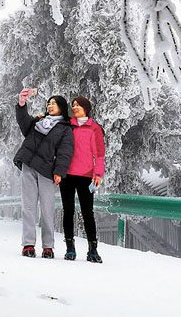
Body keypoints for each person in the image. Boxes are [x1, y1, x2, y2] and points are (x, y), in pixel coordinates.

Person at [14, 90, 74, 259]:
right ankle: (28, 244)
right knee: (28, 206)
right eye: (49, 103)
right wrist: (21, 104)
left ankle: (48, 247)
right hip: (28, 165)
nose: (50, 105)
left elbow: (65, 152)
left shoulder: (65, 129)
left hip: (48, 171)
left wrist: (60, 172)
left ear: (61, 108)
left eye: (54, 103)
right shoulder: (39, 121)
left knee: (47, 209)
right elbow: (24, 123)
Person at [60, 95, 105, 263]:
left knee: (88, 213)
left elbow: (99, 154)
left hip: (86, 176)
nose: (75, 107)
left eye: (78, 105)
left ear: (86, 107)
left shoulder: (94, 128)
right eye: (73, 105)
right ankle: (70, 248)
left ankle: (93, 250)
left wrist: (98, 174)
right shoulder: (67, 127)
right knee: (68, 211)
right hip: (67, 175)